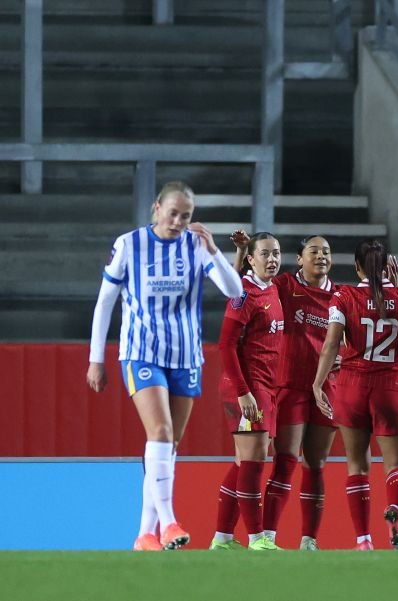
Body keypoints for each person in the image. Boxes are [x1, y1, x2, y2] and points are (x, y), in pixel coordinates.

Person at [86, 181, 243, 551]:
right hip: (141, 350)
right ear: (156, 207)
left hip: (186, 355)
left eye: (185, 216)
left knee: (168, 444)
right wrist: (96, 358)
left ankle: (144, 535)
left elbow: (235, 291)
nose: (177, 221)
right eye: (172, 213)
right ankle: (170, 522)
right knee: (159, 430)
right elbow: (105, 302)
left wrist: (216, 251)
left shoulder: (196, 246)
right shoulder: (129, 244)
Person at [228, 231, 339, 551]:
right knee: (286, 460)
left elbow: (354, 335)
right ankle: (268, 537)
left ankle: (309, 540)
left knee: (316, 464)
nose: (321, 256)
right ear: (299, 259)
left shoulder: (342, 296)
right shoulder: (285, 286)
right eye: (314, 251)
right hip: (289, 387)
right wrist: (240, 254)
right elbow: (241, 290)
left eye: (327, 251)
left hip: (326, 391)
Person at [312, 240, 398, 551]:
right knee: (397, 464)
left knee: (357, 465)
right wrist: (397, 290)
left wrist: (318, 383)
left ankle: (363, 539)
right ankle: (394, 510)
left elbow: (331, 344)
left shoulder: (343, 295)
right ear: (388, 267)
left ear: (357, 266)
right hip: (390, 388)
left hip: (352, 387)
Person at [211, 232, 284, 551]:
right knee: (253, 461)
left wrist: (241, 251)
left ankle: (222, 538)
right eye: (265, 254)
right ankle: (257, 538)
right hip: (247, 388)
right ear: (252, 261)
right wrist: (243, 393)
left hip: (266, 386)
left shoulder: (272, 288)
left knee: (245, 462)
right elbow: (225, 344)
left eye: (276, 253)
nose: (272, 259)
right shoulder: (244, 295)